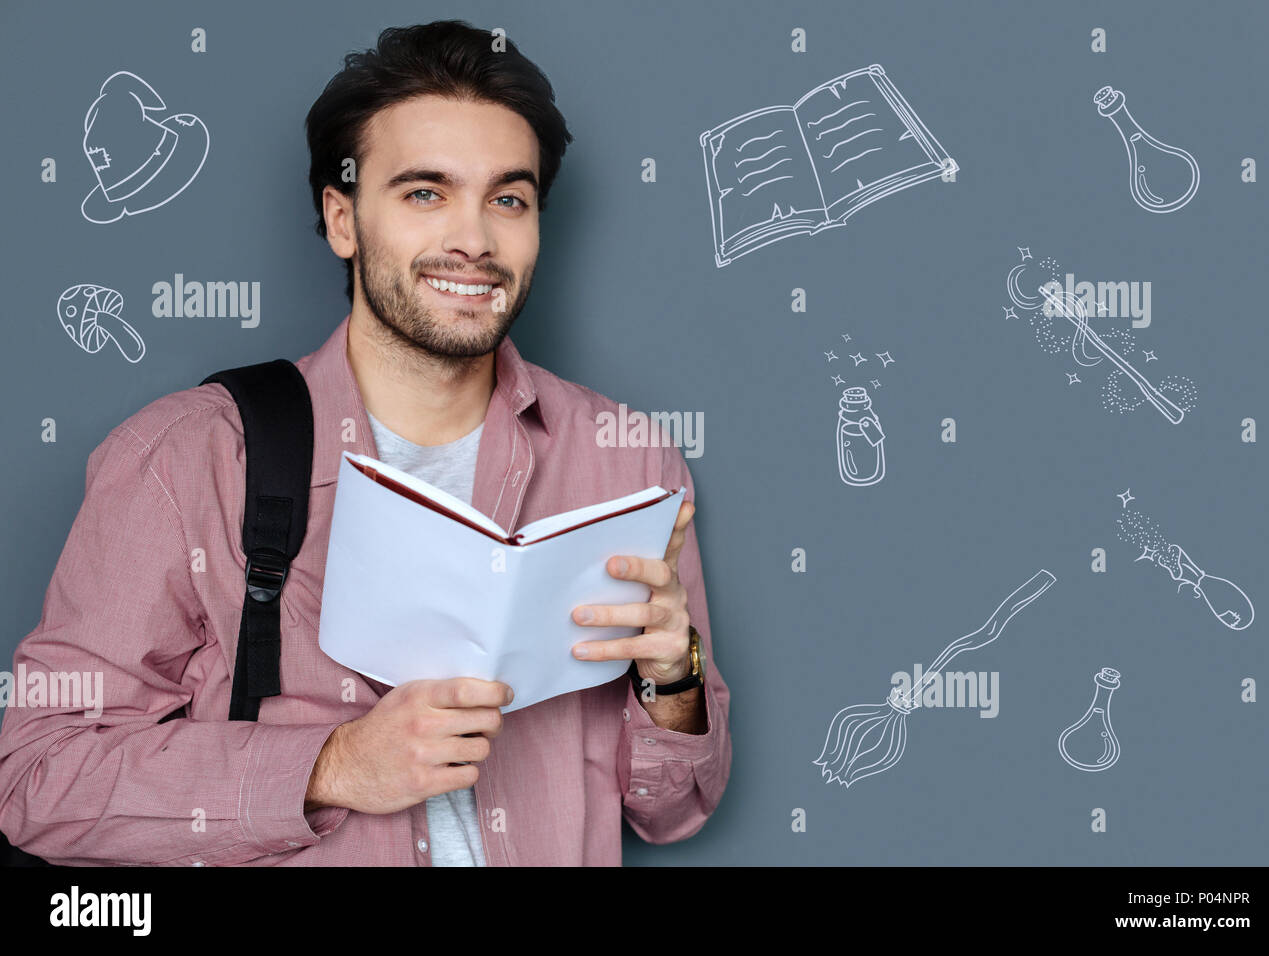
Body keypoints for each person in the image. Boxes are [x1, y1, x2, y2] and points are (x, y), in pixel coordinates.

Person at [0, 19, 730, 866]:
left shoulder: (628, 461)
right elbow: (36, 780)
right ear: (342, 219)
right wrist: (332, 765)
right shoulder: (186, 457)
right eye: (425, 193)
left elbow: (672, 813)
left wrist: (673, 680)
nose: (475, 239)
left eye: (509, 198)